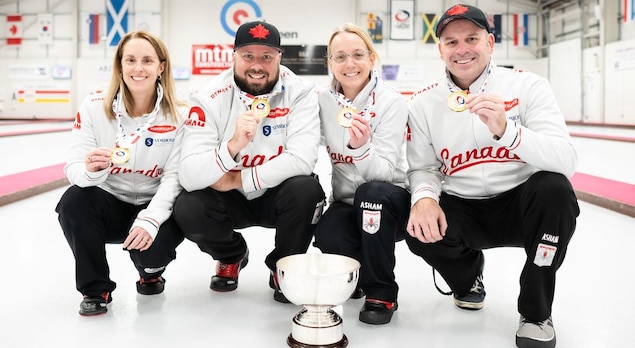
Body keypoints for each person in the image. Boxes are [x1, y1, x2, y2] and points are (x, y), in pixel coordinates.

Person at [405, 4, 580, 348]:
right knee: (418, 229)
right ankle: (468, 278)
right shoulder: (423, 102)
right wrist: (423, 198)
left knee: (556, 190)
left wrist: (508, 131)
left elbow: (566, 159)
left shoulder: (528, 85)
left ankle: (535, 311)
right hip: (463, 205)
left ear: (490, 42)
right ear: (441, 50)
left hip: (521, 205)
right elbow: (422, 167)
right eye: (451, 42)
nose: (462, 49)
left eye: (471, 38)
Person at [173, 21, 325, 303]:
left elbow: (302, 160)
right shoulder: (208, 97)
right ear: (233, 56)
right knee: (188, 207)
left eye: (266, 57)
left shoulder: (301, 92)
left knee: (307, 190)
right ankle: (231, 255)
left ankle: (283, 266)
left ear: (280, 57)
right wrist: (231, 148)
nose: (257, 65)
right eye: (248, 56)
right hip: (228, 198)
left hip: (275, 194)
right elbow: (190, 174)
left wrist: (238, 177)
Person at [56, 30, 187, 316]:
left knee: (151, 252)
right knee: (74, 201)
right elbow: (73, 168)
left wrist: (150, 220)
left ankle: (150, 272)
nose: (138, 68)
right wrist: (91, 171)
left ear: (161, 67)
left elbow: (175, 177)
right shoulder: (93, 107)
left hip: (156, 204)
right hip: (111, 204)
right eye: (130, 60)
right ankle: (95, 288)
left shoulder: (181, 115)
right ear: (120, 65)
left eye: (147, 61)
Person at [313, 23, 409, 325]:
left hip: (389, 200)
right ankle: (356, 273)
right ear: (329, 63)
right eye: (339, 57)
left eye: (357, 55)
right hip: (346, 202)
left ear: (371, 58)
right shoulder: (322, 101)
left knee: (372, 195)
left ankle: (381, 290)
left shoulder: (391, 101)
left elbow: (383, 173)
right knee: (328, 232)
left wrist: (360, 148)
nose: (349, 64)